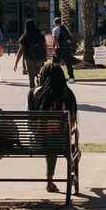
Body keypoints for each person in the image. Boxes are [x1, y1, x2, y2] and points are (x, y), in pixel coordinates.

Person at [28, 63, 79, 193]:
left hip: (36, 143)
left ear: (43, 76)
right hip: (61, 143)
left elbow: (30, 121)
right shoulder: (67, 94)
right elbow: (72, 122)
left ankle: (50, 182)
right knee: (73, 149)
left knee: (50, 144)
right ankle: (72, 172)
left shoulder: (34, 93)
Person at [15, 19, 48, 89]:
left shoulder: (25, 36)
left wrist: (16, 63)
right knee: (40, 75)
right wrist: (46, 56)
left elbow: (20, 51)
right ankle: (40, 90)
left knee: (31, 77)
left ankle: (32, 92)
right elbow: (45, 46)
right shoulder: (40, 35)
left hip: (29, 58)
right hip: (40, 58)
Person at [51, 17, 76, 84]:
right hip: (67, 48)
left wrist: (53, 49)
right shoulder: (65, 28)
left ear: (55, 23)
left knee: (55, 63)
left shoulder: (55, 29)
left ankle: (54, 78)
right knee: (68, 63)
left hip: (59, 48)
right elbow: (69, 38)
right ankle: (71, 78)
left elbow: (54, 39)